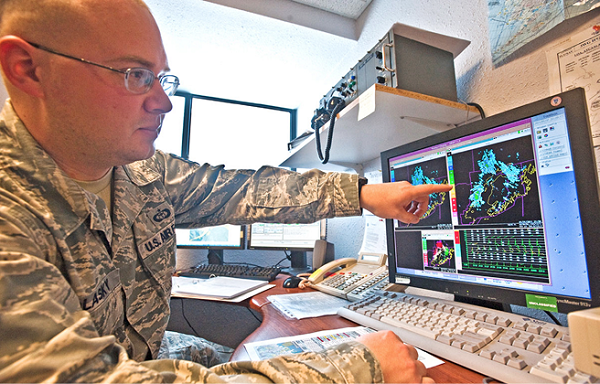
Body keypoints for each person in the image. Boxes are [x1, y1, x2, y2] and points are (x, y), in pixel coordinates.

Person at [0, 0, 451, 382]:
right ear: (28, 70)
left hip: (151, 350)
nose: (163, 102)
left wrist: (363, 194)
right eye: (135, 74)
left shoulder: (141, 171)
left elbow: (243, 190)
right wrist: (361, 366)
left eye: (161, 78)